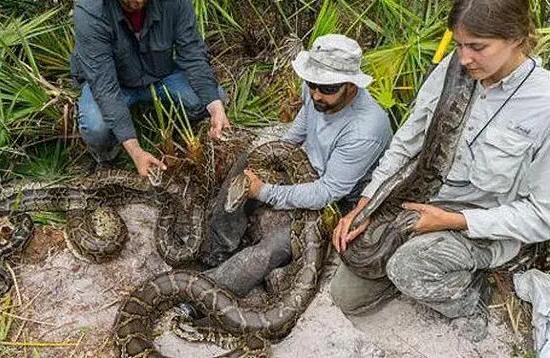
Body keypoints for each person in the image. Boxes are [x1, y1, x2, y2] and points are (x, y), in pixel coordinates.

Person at [331, 0, 550, 343]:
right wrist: (368, 202)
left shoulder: (544, 106)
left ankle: (470, 296)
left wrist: (452, 222)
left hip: (480, 224)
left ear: (517, 37)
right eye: (459, 44)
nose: (464, 59)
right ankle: (413, 263)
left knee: (408, 268)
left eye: (477, 47)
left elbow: (543, 216)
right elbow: (408, 139)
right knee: (347, 294)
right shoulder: (455, 70)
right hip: (417, 202)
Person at [190, 34, 392, 304]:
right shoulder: (317, 95)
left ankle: (198, 300)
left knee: (269, 251)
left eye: (328, 89)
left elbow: (327, 192)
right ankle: (217, 251)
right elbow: (298, 131)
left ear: (351, 87)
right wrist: (269, 159)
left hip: (339, 202)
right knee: (247, 162)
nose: (317, 94)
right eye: (312, 84)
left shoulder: (366, 129)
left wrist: (264, 191)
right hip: (307, 167)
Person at [70, 0, 230, 176]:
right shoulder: (89, 12)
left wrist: (215, 108)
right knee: (96, 128)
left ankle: (178, 129)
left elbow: (193, 55)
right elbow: (104, 87)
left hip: (160, 74)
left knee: (215, 98)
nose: (137, 1)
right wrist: (136, 151)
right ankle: (109, 155)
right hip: (116, 83)